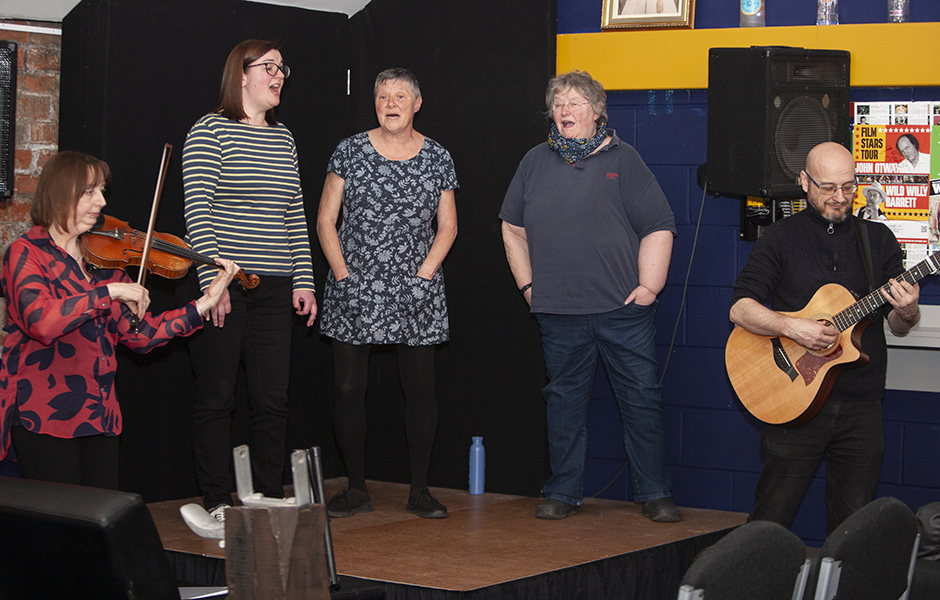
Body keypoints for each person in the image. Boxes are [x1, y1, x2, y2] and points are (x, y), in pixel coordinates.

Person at [499, 70, 680, 522]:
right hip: (558, 313)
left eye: (576, 102)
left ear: (597, 111)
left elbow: (659, 224)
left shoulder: (625, 157)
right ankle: (562, 491)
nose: (565, 111)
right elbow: (511, 229)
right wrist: (528, 287)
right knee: (563, 405)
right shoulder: (534, 162)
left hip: (624, 312)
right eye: (558, 103)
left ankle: (654, 493)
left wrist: (649, 288)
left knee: (642, 401)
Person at [0, 151, 238, 489]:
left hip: (100, 416)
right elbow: (41, 321)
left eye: (101, 190)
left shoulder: (104, 261)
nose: (101, 200)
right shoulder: (27, 253)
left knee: (97, 528)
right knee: (60, 530)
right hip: (46, 415)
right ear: (60, 192)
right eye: (89, 191)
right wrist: (108, 293)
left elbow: (141, 336)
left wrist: (202, 304)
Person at [730, 142, 920, 534]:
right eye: (828, 187)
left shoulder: (879, 240)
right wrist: (790, 327)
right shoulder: (780, 238)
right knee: (771, 517)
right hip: (793, 396)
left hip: (861, 405)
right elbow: (740, 308)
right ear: (805, 182)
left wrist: (907, 311)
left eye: (849, 187)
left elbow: (898, 327)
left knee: (854, 528)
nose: (840, 198)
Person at [182, 39, 317, 521]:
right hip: (227, 282)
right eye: (269, 67)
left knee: (272, 398)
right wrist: (212, 282)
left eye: (283, 68)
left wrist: (304, 280)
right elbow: (197, 212)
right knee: (217, 395)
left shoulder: (285, 140)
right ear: (241, 74)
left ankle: (267, 494)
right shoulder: (209, 131)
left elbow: (294, 217)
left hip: (277, 284)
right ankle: (218, 498)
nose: (279, 75)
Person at [317, 68, 457, 519]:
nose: (390, 103)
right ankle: (356, 488)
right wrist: (342, 276)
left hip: (417, 286)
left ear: (418, 103)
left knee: (421, 389)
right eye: (382, 97)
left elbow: (448, 226)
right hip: (354, 284)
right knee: (346, 388)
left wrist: (424, 275)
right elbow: (325, 220)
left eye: (400, 96)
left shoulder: (438, 156)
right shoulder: (350, 150)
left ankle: (420, 490)